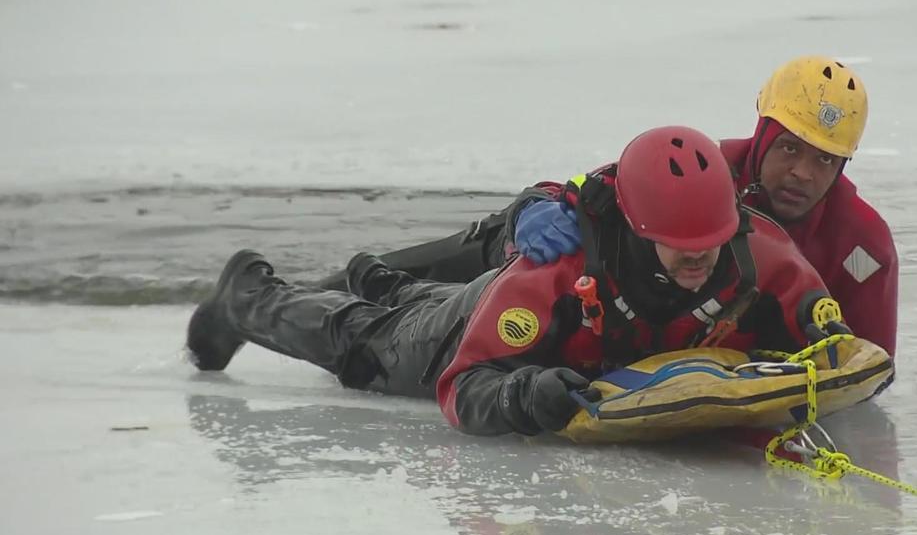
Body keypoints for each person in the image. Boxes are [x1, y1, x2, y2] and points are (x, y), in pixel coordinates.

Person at [188, 126, 856, 435]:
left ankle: (376, 276)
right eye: (678, 248)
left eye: (709, 245)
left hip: (526, 325)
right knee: (364, 342)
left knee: (414, 297)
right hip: (471, 335)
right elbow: (461, 386)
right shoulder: (560, 268)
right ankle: (246, 294)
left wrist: (821, 356)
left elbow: (831, 329)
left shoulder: (758, 251)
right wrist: (526, 397)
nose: (698, 262)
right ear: (636, 228)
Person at [318, 57, 899, 356]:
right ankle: (339, 282)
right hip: (535, 256)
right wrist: (534, 207)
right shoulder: (700, 166)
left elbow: (868, 364)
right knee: (524, 243)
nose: (802, 172)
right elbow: (589, 191)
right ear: (763, 134)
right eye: (791, 149)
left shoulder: (863, 247)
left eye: (825, 160)